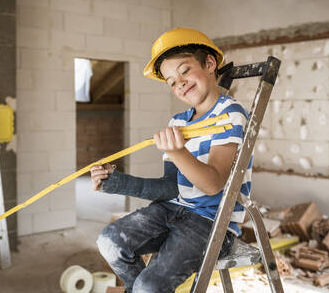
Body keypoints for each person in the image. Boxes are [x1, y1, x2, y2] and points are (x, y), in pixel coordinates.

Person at [90, 27, 252, 293]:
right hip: (173, 209)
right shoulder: (178, 122)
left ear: (210, 64)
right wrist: (116, 182)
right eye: (171, 81)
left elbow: (213, 184)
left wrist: (179, 152)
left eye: (185, 71)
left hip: (210, 223)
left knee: (148, 285)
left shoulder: (230, 113)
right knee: (109, 241)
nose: (180, 83)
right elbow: (169, 187)